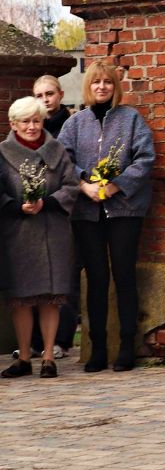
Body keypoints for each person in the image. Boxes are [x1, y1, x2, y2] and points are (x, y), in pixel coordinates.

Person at [59, 59, 155, 373]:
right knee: (96, 278)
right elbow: (62, 159)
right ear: (89, 86)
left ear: (115, 87)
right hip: (87, 212)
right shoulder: (75, 122)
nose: (102, 87)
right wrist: (83, 185)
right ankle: (98, 347)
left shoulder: (131, 120)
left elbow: (145, 158)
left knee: (124, 276)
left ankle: (127, 345)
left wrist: (118, 185)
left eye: (108, 83)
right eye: (97, 82)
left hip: (124, 209)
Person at [0, 97, 79, 379]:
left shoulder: (57, 150)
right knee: (21, 298)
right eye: (25, 122)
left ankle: (48, 356)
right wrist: (15, 206)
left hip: (52, 232)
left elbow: (71, 186)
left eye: (36, 120)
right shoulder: (2, 153)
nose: (32, 126)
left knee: (50, 296)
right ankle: (23, 357)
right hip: (18, 234)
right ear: (13, 124)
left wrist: (49, 202)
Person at [32, 74, 76, 355]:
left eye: (50, 94)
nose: (45, 100)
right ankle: (37, 342)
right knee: (36, 276)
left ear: (60, 94)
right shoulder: (31, 127)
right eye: (39, 95)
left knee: (63, 276)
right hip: (34, 211)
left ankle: (61, 340)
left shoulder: (70, 126)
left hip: (62, 209)